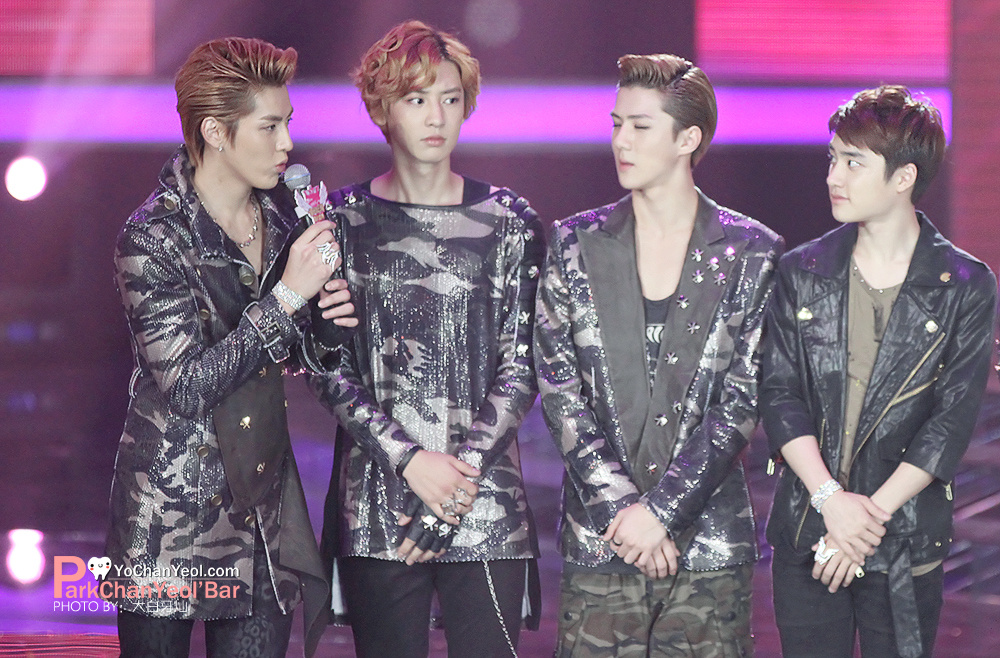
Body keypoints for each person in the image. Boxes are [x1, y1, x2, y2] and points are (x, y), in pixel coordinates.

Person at [106, 37, 356, 657]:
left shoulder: (285, 222)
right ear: (215, 132)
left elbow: (302, 359)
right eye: (269, 127)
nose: (287, 143)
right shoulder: (154, 237)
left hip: (262, 514)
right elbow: (188, 385)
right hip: (169, 520)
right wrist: (288, 296)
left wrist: (329, 324)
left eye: (287, 123)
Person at [306, 20, 542, 658]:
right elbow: (327, 365)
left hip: (485, 505)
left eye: (450, 98)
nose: (437, 116)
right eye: (416, 99)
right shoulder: (341, 223)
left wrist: (458, 482)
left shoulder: (510, 222)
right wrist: (411, 460)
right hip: (381, 503)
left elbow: (523, 364)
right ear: (382, 108)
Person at [534, 53, 783, 657]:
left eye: (641, 127)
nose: (621, 140)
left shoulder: (753, 252)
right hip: (604, 540)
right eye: (617, 123)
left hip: (708, 547)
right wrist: (626, 513)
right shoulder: (574, 243)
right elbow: (560, 390)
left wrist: (662, 513)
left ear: (687, 139)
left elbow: (742, 401)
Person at [761, 85, 998, 658]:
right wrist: (830, 501)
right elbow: (779, 394)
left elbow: (950, 422)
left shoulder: (966, 286)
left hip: (904, 536)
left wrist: (863, 523)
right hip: (809, 527)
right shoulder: (800, 271)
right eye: (832, 159)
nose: (833, 177)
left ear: (903, 177)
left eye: (853, 162)